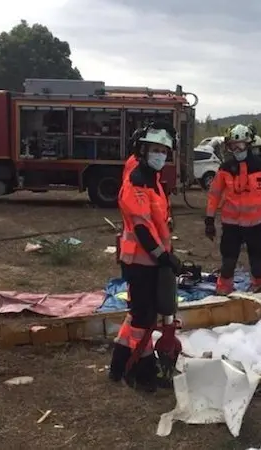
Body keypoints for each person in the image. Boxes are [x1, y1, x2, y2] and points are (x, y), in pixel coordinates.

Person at [109, 123, 183, 392]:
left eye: (164, 150)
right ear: (142, 151)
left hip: (153, 260)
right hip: (141, 262)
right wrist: (164, 257)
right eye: (154, 150)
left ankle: (119, 366)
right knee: (143, 320)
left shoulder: (154, 180)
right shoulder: (137, 183)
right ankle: (141, 372)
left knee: (139, 315)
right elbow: (142, 229)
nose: (159, 155)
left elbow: (158, 223)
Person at [205, 124, 261, 294]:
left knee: (257, 264)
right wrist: (209, 220)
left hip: (256, 225)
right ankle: (223, 293)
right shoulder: (225, 168)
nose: (237, 149)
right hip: (231, 225)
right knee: (228, 263)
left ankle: (260, 292)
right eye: (233, 146)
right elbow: (214, 195)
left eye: (240, 145)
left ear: (248, 144)